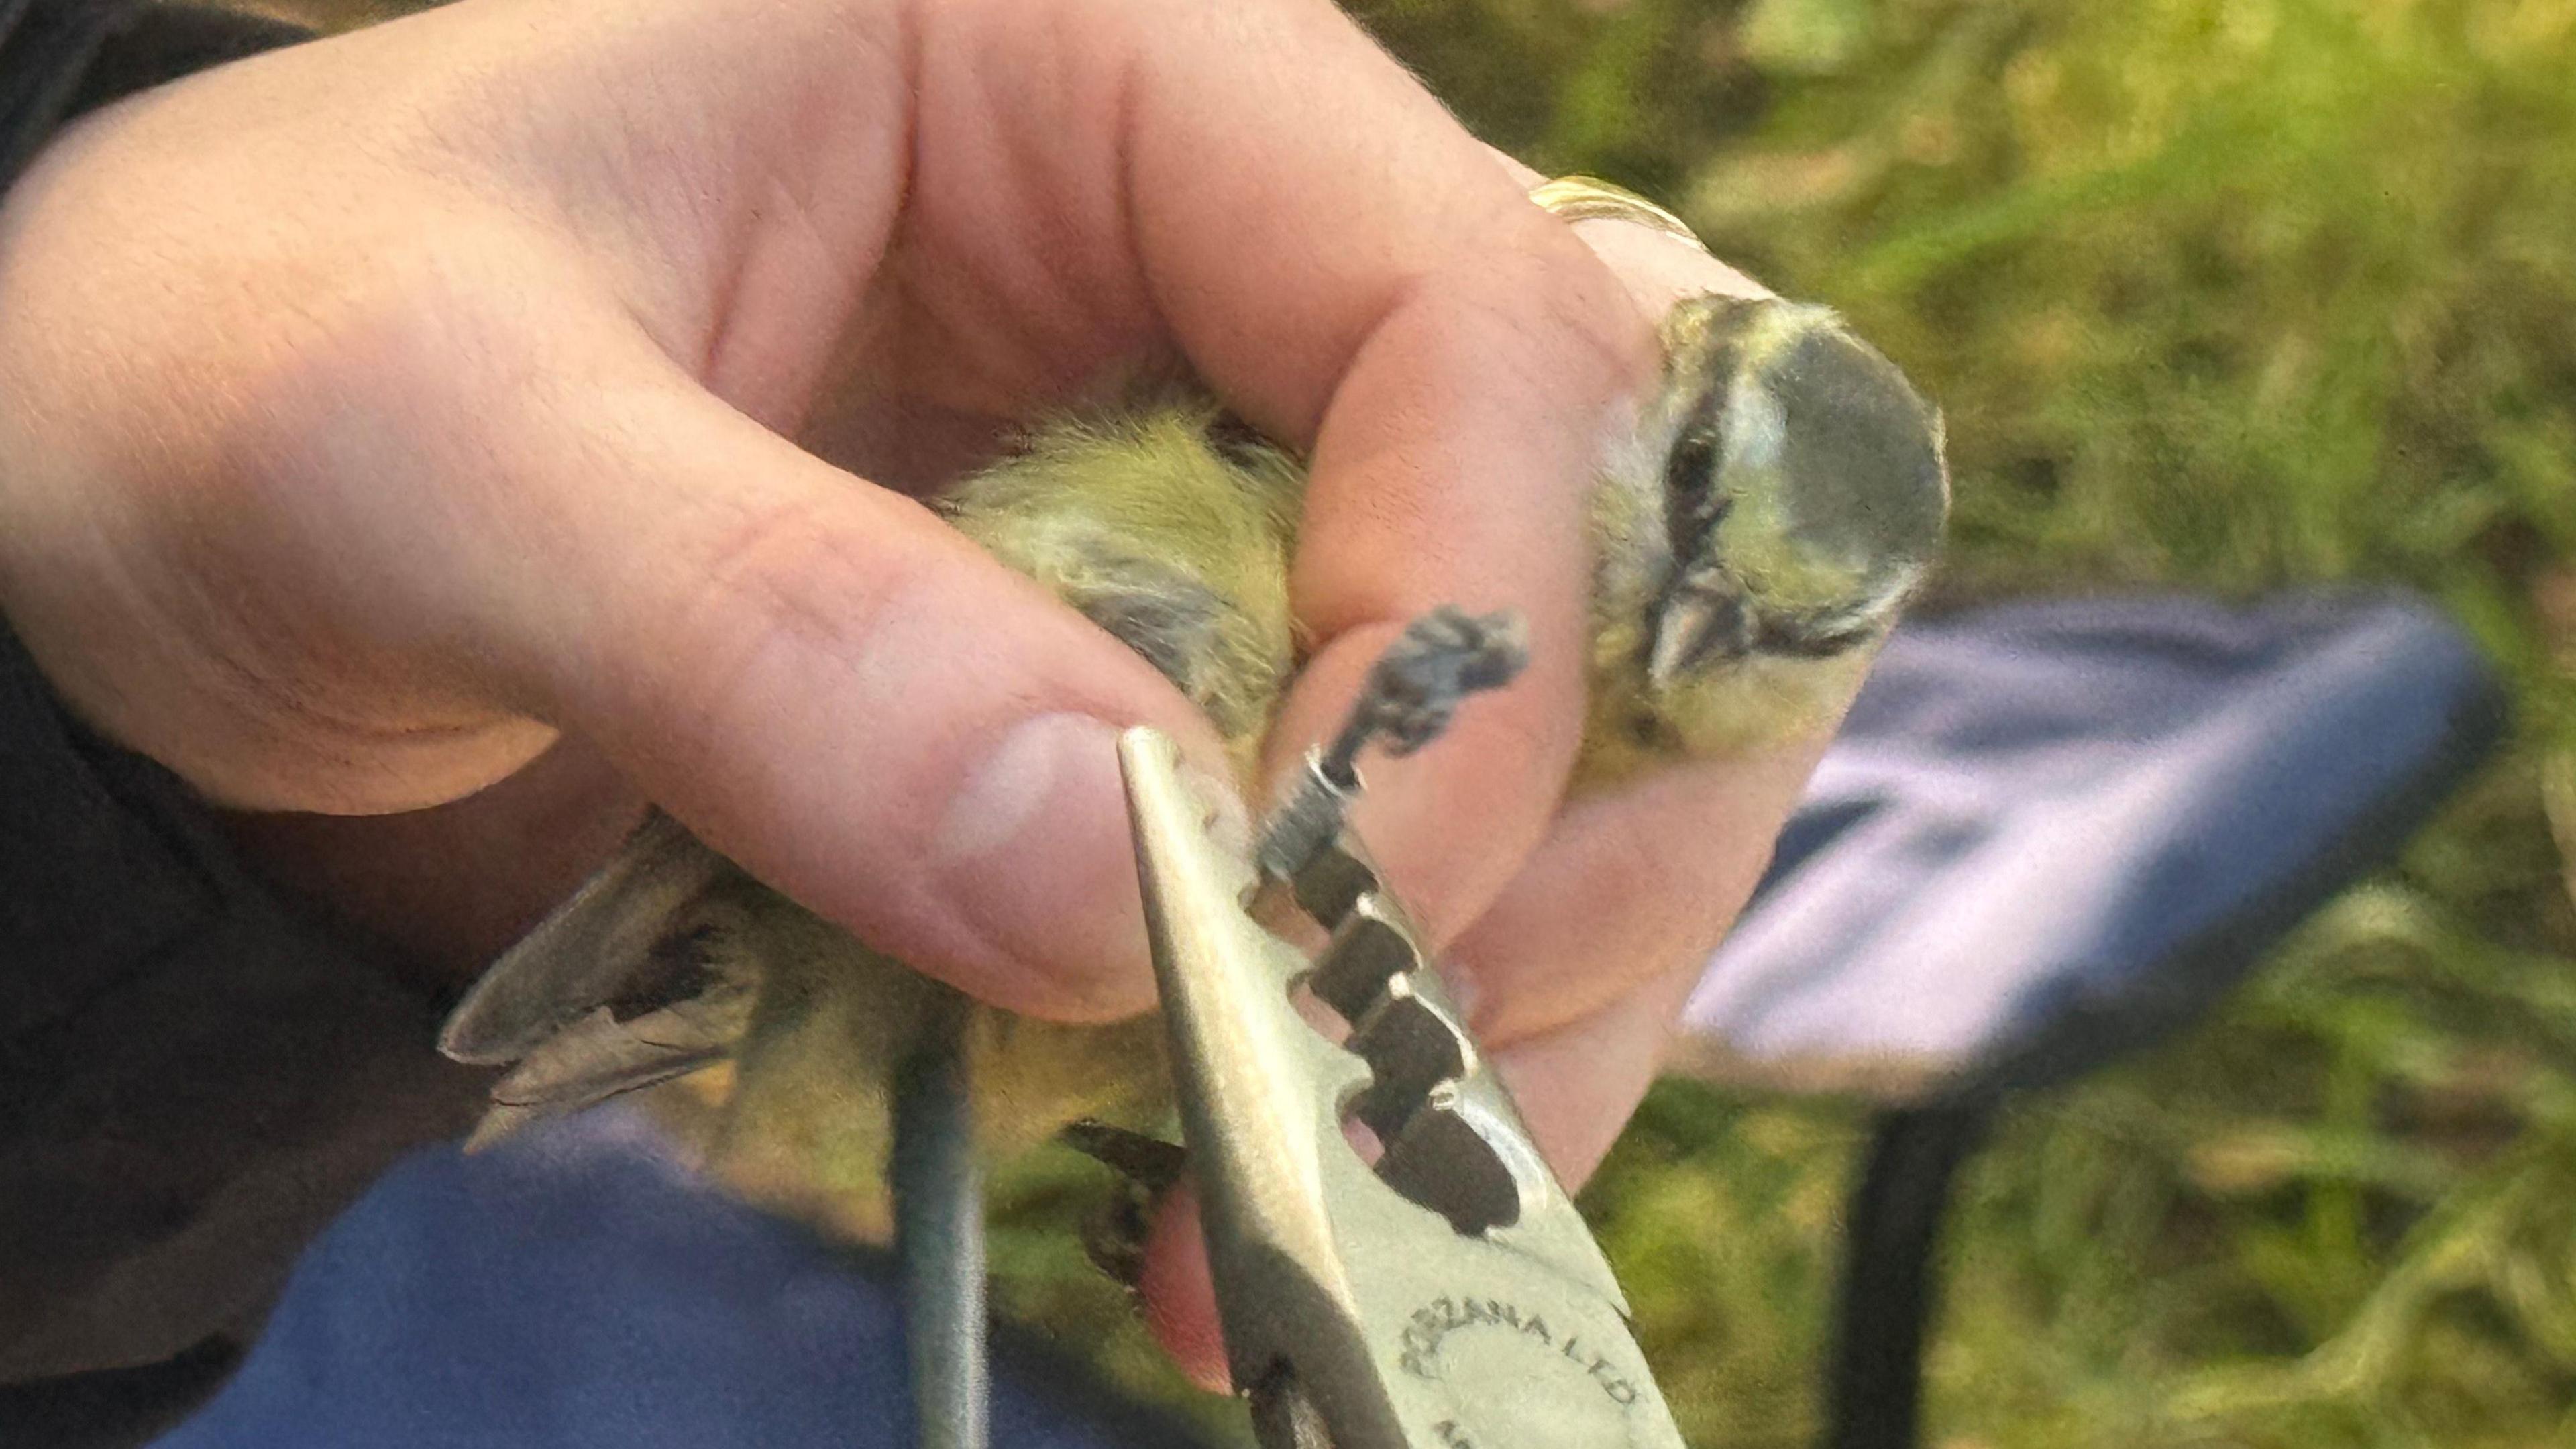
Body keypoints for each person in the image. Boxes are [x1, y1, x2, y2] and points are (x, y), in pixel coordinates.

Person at [0, 0, 1833, 1442]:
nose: (1686, 611)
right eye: (1683, 491)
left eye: (1760, 635)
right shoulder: (1393, 500)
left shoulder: (1561, 736)